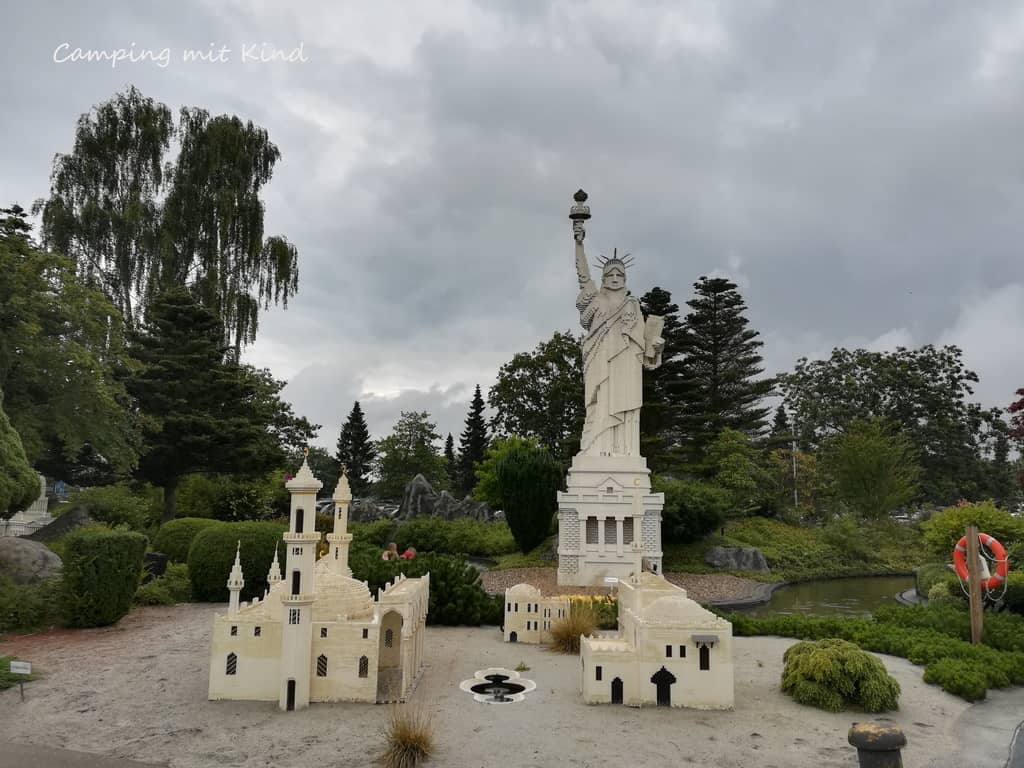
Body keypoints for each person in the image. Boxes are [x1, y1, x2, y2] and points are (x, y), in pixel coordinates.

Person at [572, 217, 664, 456]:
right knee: (598, 403)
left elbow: (646, 350)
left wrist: (657, 347)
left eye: (619, 275)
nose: (614, 278)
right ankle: (595, 450)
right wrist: (579, 243)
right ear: (603, 278)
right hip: (600, 360)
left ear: (625, 279)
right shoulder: (596, 299)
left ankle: (625, 454)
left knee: (626, 408)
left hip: (627, 364)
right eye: (610, 274)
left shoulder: (633, 305)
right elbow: (582, 275)